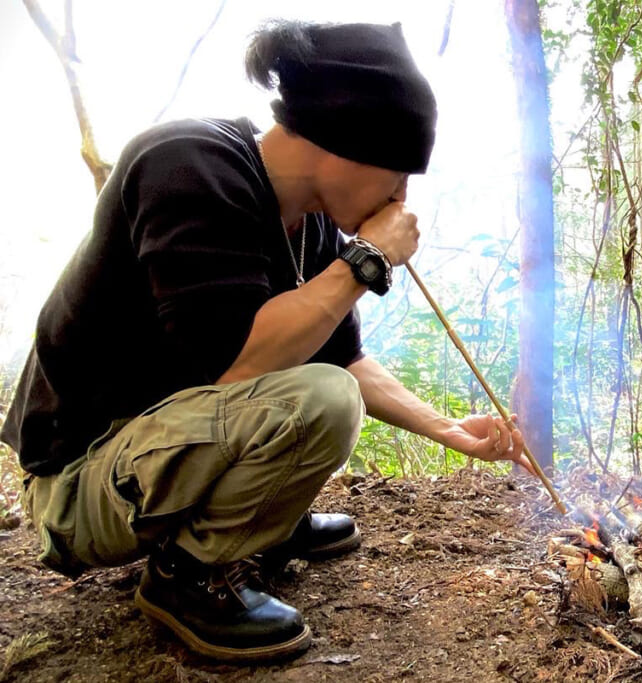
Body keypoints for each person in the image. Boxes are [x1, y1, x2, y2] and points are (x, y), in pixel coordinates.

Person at [0, 20, 533, 662]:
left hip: (156, 457)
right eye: (397, 175)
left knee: (331, 384)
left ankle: (257, 523)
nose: (401, 199)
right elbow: (234, 366)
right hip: (78, 484)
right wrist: (365, 264)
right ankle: (188, 576)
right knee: (323, 400)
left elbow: (344, 356)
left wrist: (450, 429)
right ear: (344, 145)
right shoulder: (187, 165)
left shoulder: (312, 229)